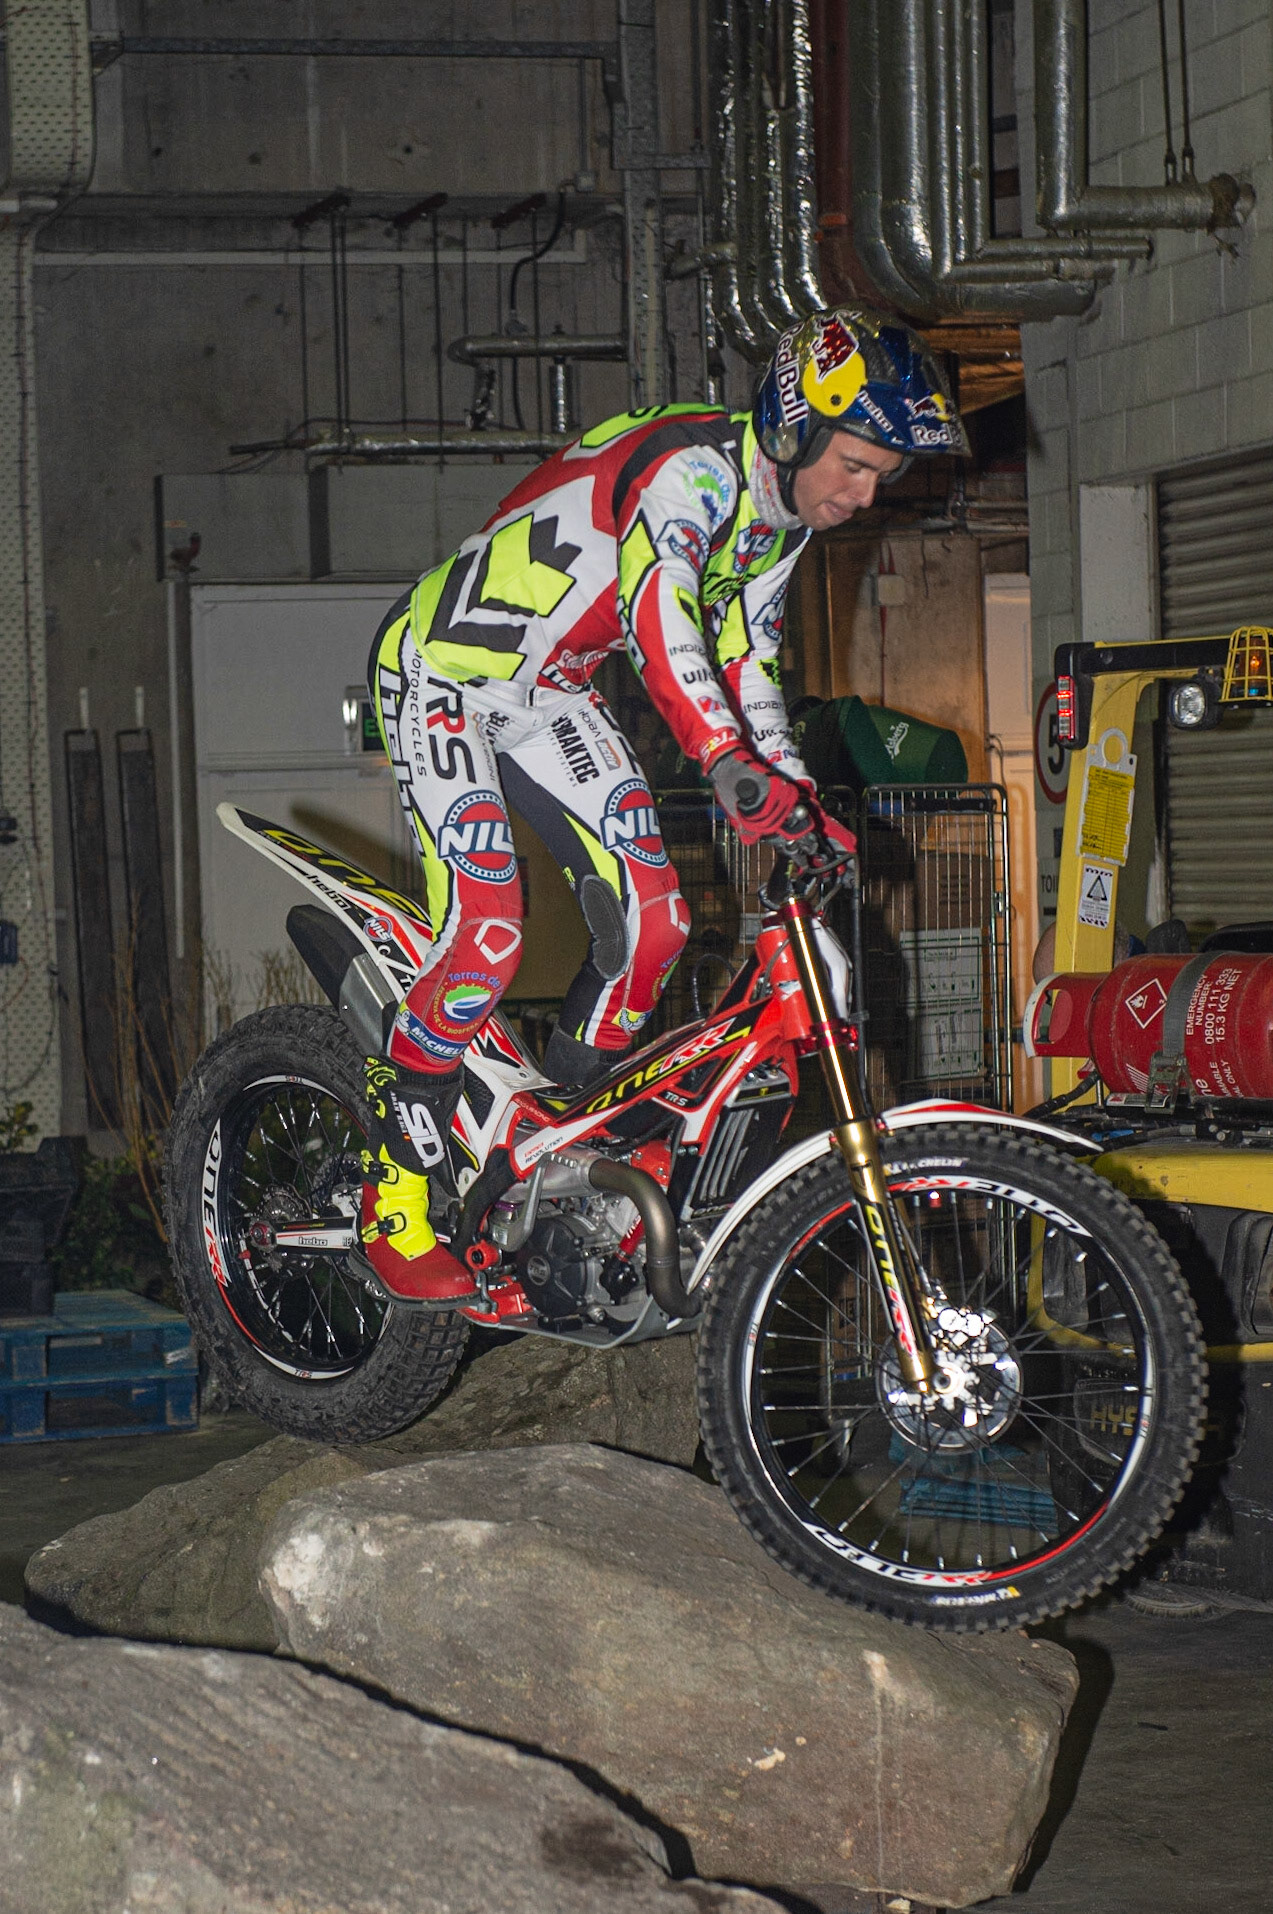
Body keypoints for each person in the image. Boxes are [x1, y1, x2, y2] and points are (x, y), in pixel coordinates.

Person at [358, 305, 968, 1307]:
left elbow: (747, 662)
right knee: (489, 933)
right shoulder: (690, 470)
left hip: (545, 690)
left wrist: (798, 802)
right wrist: (725, 761)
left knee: (656, 924)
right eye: (855, 465)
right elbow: (659, 610)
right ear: (795, 427)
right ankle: (396, 1192)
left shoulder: (777, 523)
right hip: (446, 674)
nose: (863, 495)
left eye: (881, 477)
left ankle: (557, 1157)